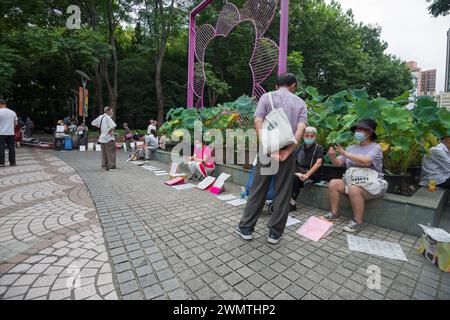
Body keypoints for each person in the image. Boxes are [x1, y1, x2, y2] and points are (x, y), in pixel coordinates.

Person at [235, 73, 308, 245]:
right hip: (287, 153)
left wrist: (269, 147)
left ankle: (246, 229)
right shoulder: (300, 103)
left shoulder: (266, 97)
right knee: (283, 192)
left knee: (258, 189)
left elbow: (258, 121)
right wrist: (288, 151)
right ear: (293, 86)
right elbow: (302, 128)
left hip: (268, 150)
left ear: (277, 85)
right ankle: (275, 234)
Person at [324, 119, 388, 232]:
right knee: (333, 183)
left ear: (369, 132)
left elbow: (366, 162)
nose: (357, 132)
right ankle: (334, 213)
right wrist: (333, 156)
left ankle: (358, 222)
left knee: (354, 189)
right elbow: (339, 163)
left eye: (361, 130)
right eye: (357, 130)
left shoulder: (376, 148)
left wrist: (345, 153)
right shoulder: (351, 148)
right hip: (353, 181)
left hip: (372, 184)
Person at [290, 127, 324, 212]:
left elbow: (319, 163)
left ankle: (292, 202)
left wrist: (306, 175)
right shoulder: (299, 147)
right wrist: (296, 172)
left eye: (311, 136)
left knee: (294, 179)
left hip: (312, 173)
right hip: (299, 171)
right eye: (307, 135)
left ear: (315, 137)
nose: (309, 138)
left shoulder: (318, 148)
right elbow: (293, 161)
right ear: (303, 136)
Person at [0, 99, 18, 167]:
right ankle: (13, 162)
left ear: (0, 104)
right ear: (5, 104)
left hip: (1, 133)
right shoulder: (12, 112)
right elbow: (16, 123)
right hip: (11, 133)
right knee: (11, 147)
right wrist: (11, 127)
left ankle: (1, 163)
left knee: (1, 148)